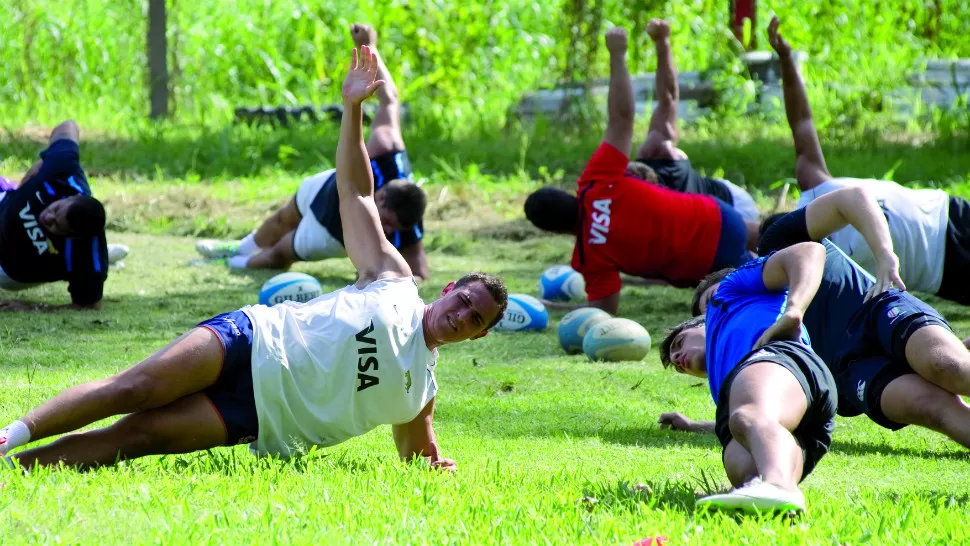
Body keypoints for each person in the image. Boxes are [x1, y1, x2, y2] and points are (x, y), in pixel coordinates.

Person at [0, 46, 508, 471]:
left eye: (475, 319)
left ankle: (17, 471)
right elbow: (354, 192)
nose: (462, 315)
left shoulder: (420, 391)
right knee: (136, 387)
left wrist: (433, 469)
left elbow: (417, 452)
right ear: (448, 290)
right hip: (255, 339)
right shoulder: (394, 280)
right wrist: (353, 108)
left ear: (478, 335)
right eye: (465, 300)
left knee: (139, 437)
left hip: (263, 415)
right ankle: (11, 436)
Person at [661, 185, 970, 460]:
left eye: (717, 303)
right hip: (851, 372)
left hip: (876, 311)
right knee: (930, 406)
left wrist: (884, 253)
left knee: (948, 367)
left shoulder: (778, 244)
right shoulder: (748, 367)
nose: (722, 316)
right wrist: (692, 426)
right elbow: (758, 416)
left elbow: (852, 198)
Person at [524, 26, 758, 314]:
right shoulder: (596, 181)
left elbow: (604, 309)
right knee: (779, 240)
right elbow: (621, 119)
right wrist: (617, 54)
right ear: (566, 193)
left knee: (771, 274)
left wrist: (547, 307)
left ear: (552, 232)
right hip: (721, 216)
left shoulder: (588, 256)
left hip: (711, 262)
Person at [196, 24, 431, 280]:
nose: (386, 231)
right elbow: (390, 99)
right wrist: (370, 47)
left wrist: (390, 278)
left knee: (280, 253)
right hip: (326, 185)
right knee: (282, 219)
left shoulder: (407, 219)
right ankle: (238, 248)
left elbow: (419, 273)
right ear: (382, 196)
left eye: (392, 228)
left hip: (331, 229)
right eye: (387, 222)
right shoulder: (388, 151)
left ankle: (236, 264)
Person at [769, 16, 970, 312]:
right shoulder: (817, 271)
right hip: (946, 269)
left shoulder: (814, 191)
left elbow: (802, 121)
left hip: (945, 213)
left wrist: (786, 59)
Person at [659, 242, 836, 514]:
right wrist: (692, 425)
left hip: (780, 356)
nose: (677, 357)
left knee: (744, 418)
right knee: (745, 467)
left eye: (680, 343)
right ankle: (775, 497)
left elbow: (809, 251)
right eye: (676, 363)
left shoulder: (731, 290)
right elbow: (763, 417)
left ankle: (778, 486)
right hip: (795, 403)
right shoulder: (723, 384)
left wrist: (794, 309)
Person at [631, 19, 760, 222]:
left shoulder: (659, 156)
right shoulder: (659, 162)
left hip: (735, 204)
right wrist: (661, 40)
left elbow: (668, 98)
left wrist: (662, 42)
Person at [0, 120, 118, 311]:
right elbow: (68, 126)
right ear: (71, 197)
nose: (47, 219)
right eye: (55, 210)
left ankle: (110, 254)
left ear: (75, 237)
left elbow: (88, 306)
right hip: (5, 202)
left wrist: (32, 307)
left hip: (6, 266)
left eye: (56, 226)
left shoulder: (88, 256)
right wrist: (45, 161)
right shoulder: (64, 170)